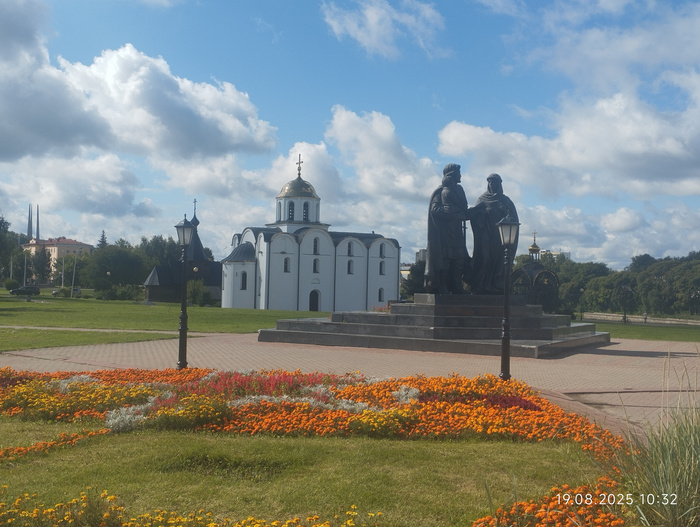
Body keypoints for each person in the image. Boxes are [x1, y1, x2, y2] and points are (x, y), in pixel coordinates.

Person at [424, 163, 482, 294]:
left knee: (459, 259)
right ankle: (443, 286)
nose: (460, 176)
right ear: (452, 175)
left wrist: (475, 212)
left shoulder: (459, 190)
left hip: (457, 232)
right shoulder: (440, 191)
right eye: (458, 173)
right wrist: (454, 213)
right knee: (446, 259)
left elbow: (464, 211)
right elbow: (435, 209)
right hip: (444, 233)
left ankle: (456, 286)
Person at [470, 173, 518, 294]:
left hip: (502, 237)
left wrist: (504, 211)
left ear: (499, 184)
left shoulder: (506, 201)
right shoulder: (482, 199)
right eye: (490, 182)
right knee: (484, 258)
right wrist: (479, 214)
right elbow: (475, 215)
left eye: (494, 182)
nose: (492, 185)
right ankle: (480, 286)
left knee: (500, 261)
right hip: (486, 235)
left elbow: (513, 220)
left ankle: (497, 286)